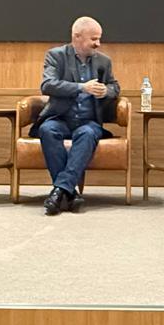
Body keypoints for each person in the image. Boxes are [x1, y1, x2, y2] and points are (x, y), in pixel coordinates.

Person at [33, 16, 120, 215]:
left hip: (88, 121)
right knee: (47, 130)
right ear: (77, 37)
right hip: (60, 119)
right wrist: (82, 87)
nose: (98, 43)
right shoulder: (56, 56)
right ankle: (69, 192)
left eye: (99, 38)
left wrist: (105, 91)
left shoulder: (103, 61)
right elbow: (48, 85)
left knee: (87, 134)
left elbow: (115, 87)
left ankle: (60, 191)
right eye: (93, 39)